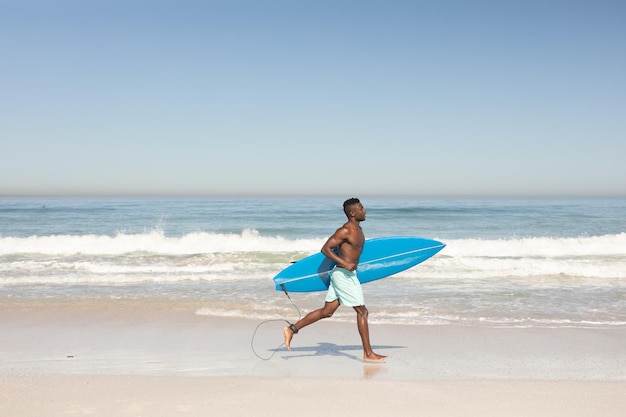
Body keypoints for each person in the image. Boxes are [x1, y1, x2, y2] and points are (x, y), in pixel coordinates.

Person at [283, 198, 387, 363]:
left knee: (327, 311)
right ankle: (368, 353)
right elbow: (325, 249)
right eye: (361, 208)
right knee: (362, 311)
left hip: (347, 275)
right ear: (352, 213)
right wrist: (345, 263)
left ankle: (292, 329)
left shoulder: (359, 230)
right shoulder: (345, 231)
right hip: (343, 275)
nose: (364, 211)